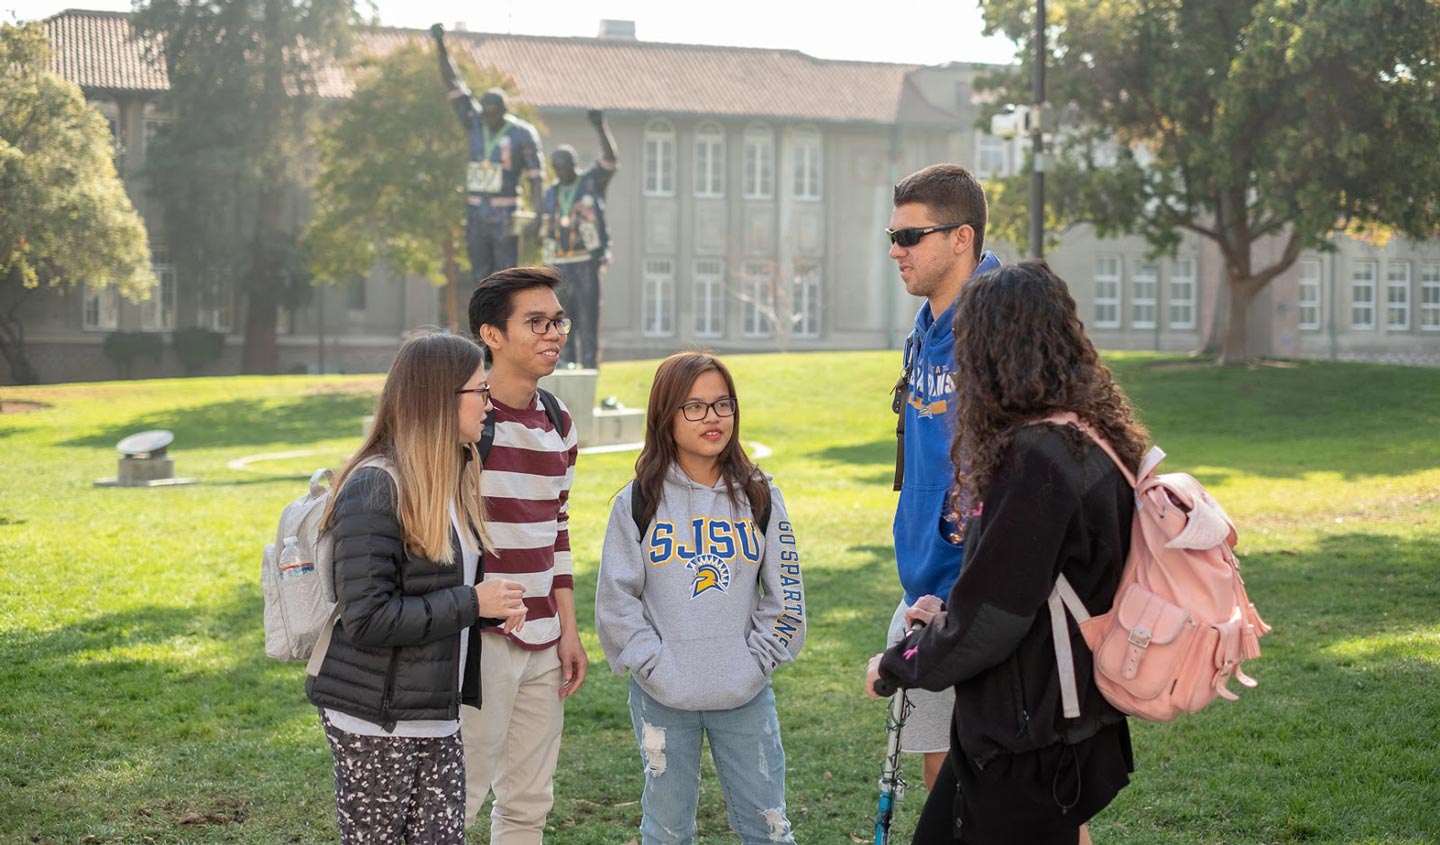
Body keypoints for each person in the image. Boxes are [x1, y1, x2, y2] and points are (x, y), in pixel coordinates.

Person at [865, 260, 1146, 844]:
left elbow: (992, 622)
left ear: (997, 353)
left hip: (1030, 739)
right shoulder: (1090, 436)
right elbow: (1034, 587)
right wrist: (946, 619)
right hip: (1063, 721)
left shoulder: (1036, 459)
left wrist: (897, 665)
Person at [305, 329, 529, 844]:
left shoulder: (448, 480)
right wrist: (473, 602)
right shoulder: (374, 486)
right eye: (481, 391)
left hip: (435, 715)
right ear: (441, 399)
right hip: (373, 720)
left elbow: (431, 591)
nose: (489, 404)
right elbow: (368, 618)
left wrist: (485, 611)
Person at [595, 351, 806, 845]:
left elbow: (786, 596)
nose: (712, 418)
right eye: (694, 407)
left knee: (769, 828)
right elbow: (616, 601)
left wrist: (756, 663)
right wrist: (654, 666)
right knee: (666, 831)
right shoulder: (637, 501)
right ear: (665, 417)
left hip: (745, 694)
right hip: (663, 697)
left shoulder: (760, 495)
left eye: (722, 404)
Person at [884, 163, 1001, 790]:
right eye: (893, 237)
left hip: (988, 597)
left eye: (911, 237)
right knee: (944, 784)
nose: (897, 251)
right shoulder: (926, 327)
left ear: (962, 237)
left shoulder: (1002, 325)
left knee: (1028, 795)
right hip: (925, 589)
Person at [461, 266, 586, 843]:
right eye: (535, 322)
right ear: (492, 335)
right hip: (476, 638)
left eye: (556, 320)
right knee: (462, 793)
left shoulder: (560, 423)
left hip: (542, 640)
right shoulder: (462, 423)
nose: (552, 333)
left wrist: (569, 629)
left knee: (530, 798)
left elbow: (556, 531)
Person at [431, 24, 545, 284]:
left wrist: (538, 215)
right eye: (485, 113)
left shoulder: (522, 133)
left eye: (494, 114)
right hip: (476, 211)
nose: (488, 118)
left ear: (503, 112)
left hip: (505, 212)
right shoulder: (474, 121)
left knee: (505, 277)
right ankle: (481, 324)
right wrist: (440, 44)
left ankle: (505, 323)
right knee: (479, 274)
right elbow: (453, 82)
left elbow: (536, 178)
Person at [542, 109, 617, 370]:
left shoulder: (590, 182)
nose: (561, 172)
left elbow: (610, 159)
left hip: (586, 260)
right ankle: (566, 360)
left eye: (565, 167)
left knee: (588, 314)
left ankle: (589, 363)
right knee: (563, 316)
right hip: (560, 263)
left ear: (575, 164)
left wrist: (600, 127)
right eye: (557, 168)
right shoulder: (550, 193)